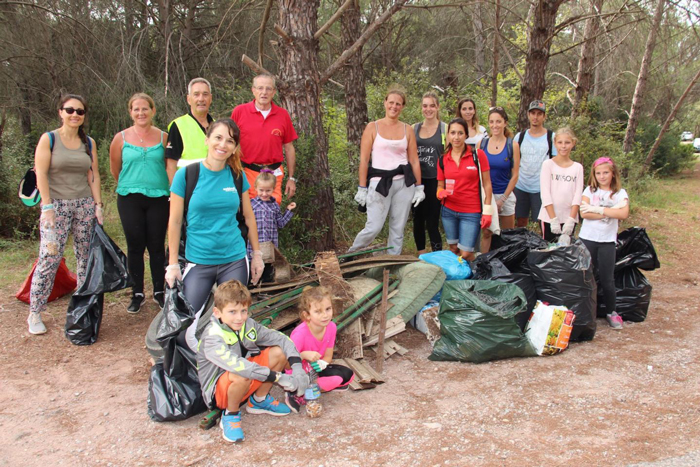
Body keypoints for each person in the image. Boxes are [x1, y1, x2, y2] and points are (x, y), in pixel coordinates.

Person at [165, 119, 265, 351]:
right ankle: (196, 366)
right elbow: (175, 221)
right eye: (218, 137)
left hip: (234, 259)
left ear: (234, 147)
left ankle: (231, 370)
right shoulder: (187, 176)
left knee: (234, 321)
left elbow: (249, 218)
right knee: (185, 325)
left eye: (230, 141)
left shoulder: (237, 176)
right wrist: (172, 264)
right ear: (207, 139)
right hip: (199, 261)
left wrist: (257, 255)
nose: (223, 144)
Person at [197, 280, 309, 443]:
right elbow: (240, 367)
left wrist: (297, 367)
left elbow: (280, 338)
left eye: (243, 311)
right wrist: (279, 378)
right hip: (219, 392)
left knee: (279, 353)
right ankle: (230, 415)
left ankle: (259, 400)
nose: (239, 317)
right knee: (241, 374)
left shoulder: (247, 324)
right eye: (232, 312)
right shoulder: (212, 337)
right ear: (217, 312)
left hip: (249, 377)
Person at [28, 94, 102, 335]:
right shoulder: (49, 139)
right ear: (60, 112)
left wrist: (98, 205)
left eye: (79, 112)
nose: (74, 115)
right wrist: (47, 206)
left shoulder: (88, 143)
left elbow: (93, 175)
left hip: (83, 205)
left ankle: (80, 309)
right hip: (56, 206)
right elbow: (41, 173)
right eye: (69, 110)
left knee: (84, 258)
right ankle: (35, 311)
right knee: (50, 257)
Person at [109, 93, 170, 313]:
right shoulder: (121, 138)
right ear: (131, 112)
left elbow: (168, 166)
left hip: (159, 198)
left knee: (156, 246)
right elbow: (116, 168)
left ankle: (159, 291)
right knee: (135, 246)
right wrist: (131, 185)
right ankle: (136, 293)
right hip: (130, 198)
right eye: (136, 109)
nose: (141, 113)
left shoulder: (164, 137)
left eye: (145, 109)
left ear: (153, 111)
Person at [350, 88, 425, 255]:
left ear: (403, 106)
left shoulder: (407, 130)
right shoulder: (372, 127)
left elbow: (413, 160)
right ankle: (351, 256)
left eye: (398, 104)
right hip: (379, 183)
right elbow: (364, 160)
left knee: (397, 228)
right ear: (385, 103)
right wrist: (362, 188)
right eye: (391, 102)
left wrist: (419, 187)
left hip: (404, 183)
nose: (394, 106)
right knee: (373, 227)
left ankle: (392, 265)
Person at [231, 73, 298, 204]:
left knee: (272, 213)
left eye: (268, 89)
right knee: (249, 214)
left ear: (274, 92)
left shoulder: (282, 115)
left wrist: (291, 178)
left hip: (274, 174)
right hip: (247, 172)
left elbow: (289, 148)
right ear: (253, 90)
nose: (264, 92)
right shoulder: (239, 112)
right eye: (260, 88)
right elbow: (230, 143)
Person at [285, 286, 354, 412]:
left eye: (328, 309)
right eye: (318, 311)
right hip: (297, 372)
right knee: (334, 380)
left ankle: (311, 389)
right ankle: (295, 393)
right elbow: (286, 364)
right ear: (307, 315)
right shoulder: (300, 334)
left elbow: (328, 356)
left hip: (314, 370)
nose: (325, 315)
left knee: (347, 375)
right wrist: (303, 355)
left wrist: (323, 363)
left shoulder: (331, 327)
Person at [579, 157, 630, 329]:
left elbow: (623, 214)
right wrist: (610, 211)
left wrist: (598, 209)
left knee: (608, 278)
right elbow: (584, 213)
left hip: (607, 241)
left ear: (613, 173)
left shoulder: (619, 193)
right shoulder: (589, 191)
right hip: (588, 239)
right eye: (598, 173)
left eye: (606, 173)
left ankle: (611, 312)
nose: (602, 176)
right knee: (586, 276)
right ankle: (585, 311)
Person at [436, 118, 493, 260]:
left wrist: (487, 211)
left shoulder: (477, 155)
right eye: (453, 133)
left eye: (460, 133)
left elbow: (487, 184)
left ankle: (472, 277)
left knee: (466, 253)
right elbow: (440, 185)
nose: (456, 137)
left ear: (466, 135)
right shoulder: (443, 159)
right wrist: (439, 193)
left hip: (471, 211)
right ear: (448, 135)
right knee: (453, 248)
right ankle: (460, 280)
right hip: (448, 210)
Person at [479, 107, 520, 252]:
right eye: (491, 122)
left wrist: (502, 199)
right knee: (487, 233)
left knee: (508, 234)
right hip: (487, 196)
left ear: (505, 123)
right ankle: (483, 266)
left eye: (498, 121)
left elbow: (515, 175)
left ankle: (508, 267)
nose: (495, 125)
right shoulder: (482, 144)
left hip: (505, 194)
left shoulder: (512, 145)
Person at [412, 91, 446, 254]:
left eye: (432, 105)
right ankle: (421, 254)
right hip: (417, 181)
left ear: (438, 107)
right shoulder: (414, 128)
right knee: (418, 219)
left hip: (436, 180)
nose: (428, 109)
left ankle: (437, 255)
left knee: (432, 221)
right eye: (425, 106)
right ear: (421, 108)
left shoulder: (445, 129)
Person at [247, 170, 296, 282]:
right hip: (253, 248)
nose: (264, 194)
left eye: (268, 190)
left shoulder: (274, 206)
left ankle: (266, 293)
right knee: (253, 274)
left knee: (267, 275)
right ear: (255, 188)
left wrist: (288, 210)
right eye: (261, 190)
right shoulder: (251, 204)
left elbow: (281, 224)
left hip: (270, 248)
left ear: (273, 189)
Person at [514, 100, 556, 228]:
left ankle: (541, 247)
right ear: (528, 115)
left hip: (541, 188)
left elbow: (555, 162)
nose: (535, 117)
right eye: (533, 113)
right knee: (520, 222)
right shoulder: (519, 137)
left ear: (544, 116)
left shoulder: (551, 137)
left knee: (543, 223)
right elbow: (514, 163)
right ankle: (521, 246)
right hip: (521, 185)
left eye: (539, 113)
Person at [537, 127, 584, 242]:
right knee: (549, 251)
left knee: (566, 253)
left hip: (568, 218)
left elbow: (578, 195)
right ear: (555, 143)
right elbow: (545, 193)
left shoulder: (577, 167)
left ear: (573, 143)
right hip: (549, 218)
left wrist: (571, 219)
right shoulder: (548, 164)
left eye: (567, 142)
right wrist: (553, 219)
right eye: (560, 142)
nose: (563, 146)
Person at [165, 77, 213, 181]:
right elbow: (171, 165)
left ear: (210, 98)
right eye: (196, 94)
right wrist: (175, 194)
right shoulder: (178, 125)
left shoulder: (217, 125)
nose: (201, 99)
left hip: (213, 185)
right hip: (189, 188)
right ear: (189, 99)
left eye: (205, 94)